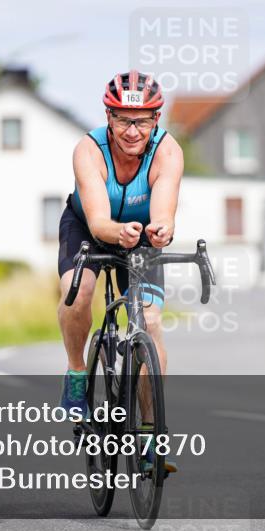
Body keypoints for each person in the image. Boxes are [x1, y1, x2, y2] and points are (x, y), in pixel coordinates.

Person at [56, 71, 183, 425]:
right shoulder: (89, 150)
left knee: (151, 321)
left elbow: (163, 213)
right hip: (87, 228)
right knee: (76, 292)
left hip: (139, 235)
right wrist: (116, 232)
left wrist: (161, 229)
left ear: (156, 119)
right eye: (123, 120)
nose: (132, 132)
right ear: (108, 117)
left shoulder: (167, 152)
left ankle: (149, 428)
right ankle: (77, 374)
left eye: (142, 122)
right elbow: (98, 222)